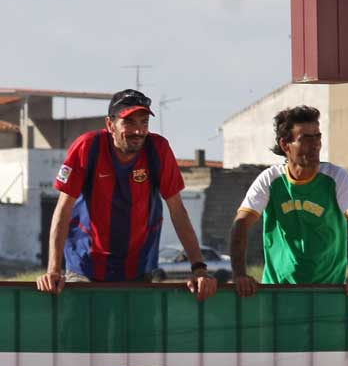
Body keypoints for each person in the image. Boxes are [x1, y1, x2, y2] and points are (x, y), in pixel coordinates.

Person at [36, 89, 217, 301]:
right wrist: (53, 270)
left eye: (144, 123)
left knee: (137, 334)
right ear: (110, 124)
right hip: (86, 265)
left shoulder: (158, 149)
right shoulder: (87, 147)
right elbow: (63, 211)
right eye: (129, 122)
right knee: (83, 332)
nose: (138, 131)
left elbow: (178, 211)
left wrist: (199, 269)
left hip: (137, 268)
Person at [230, 105, 348, 297]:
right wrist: (240, 275)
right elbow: (241, 224)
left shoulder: (336, 177)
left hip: (329, 293)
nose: (315, 144)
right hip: (277, 292)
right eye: (305, 138)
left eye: (318, 136)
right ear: (285, 145)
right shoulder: (270, 179)